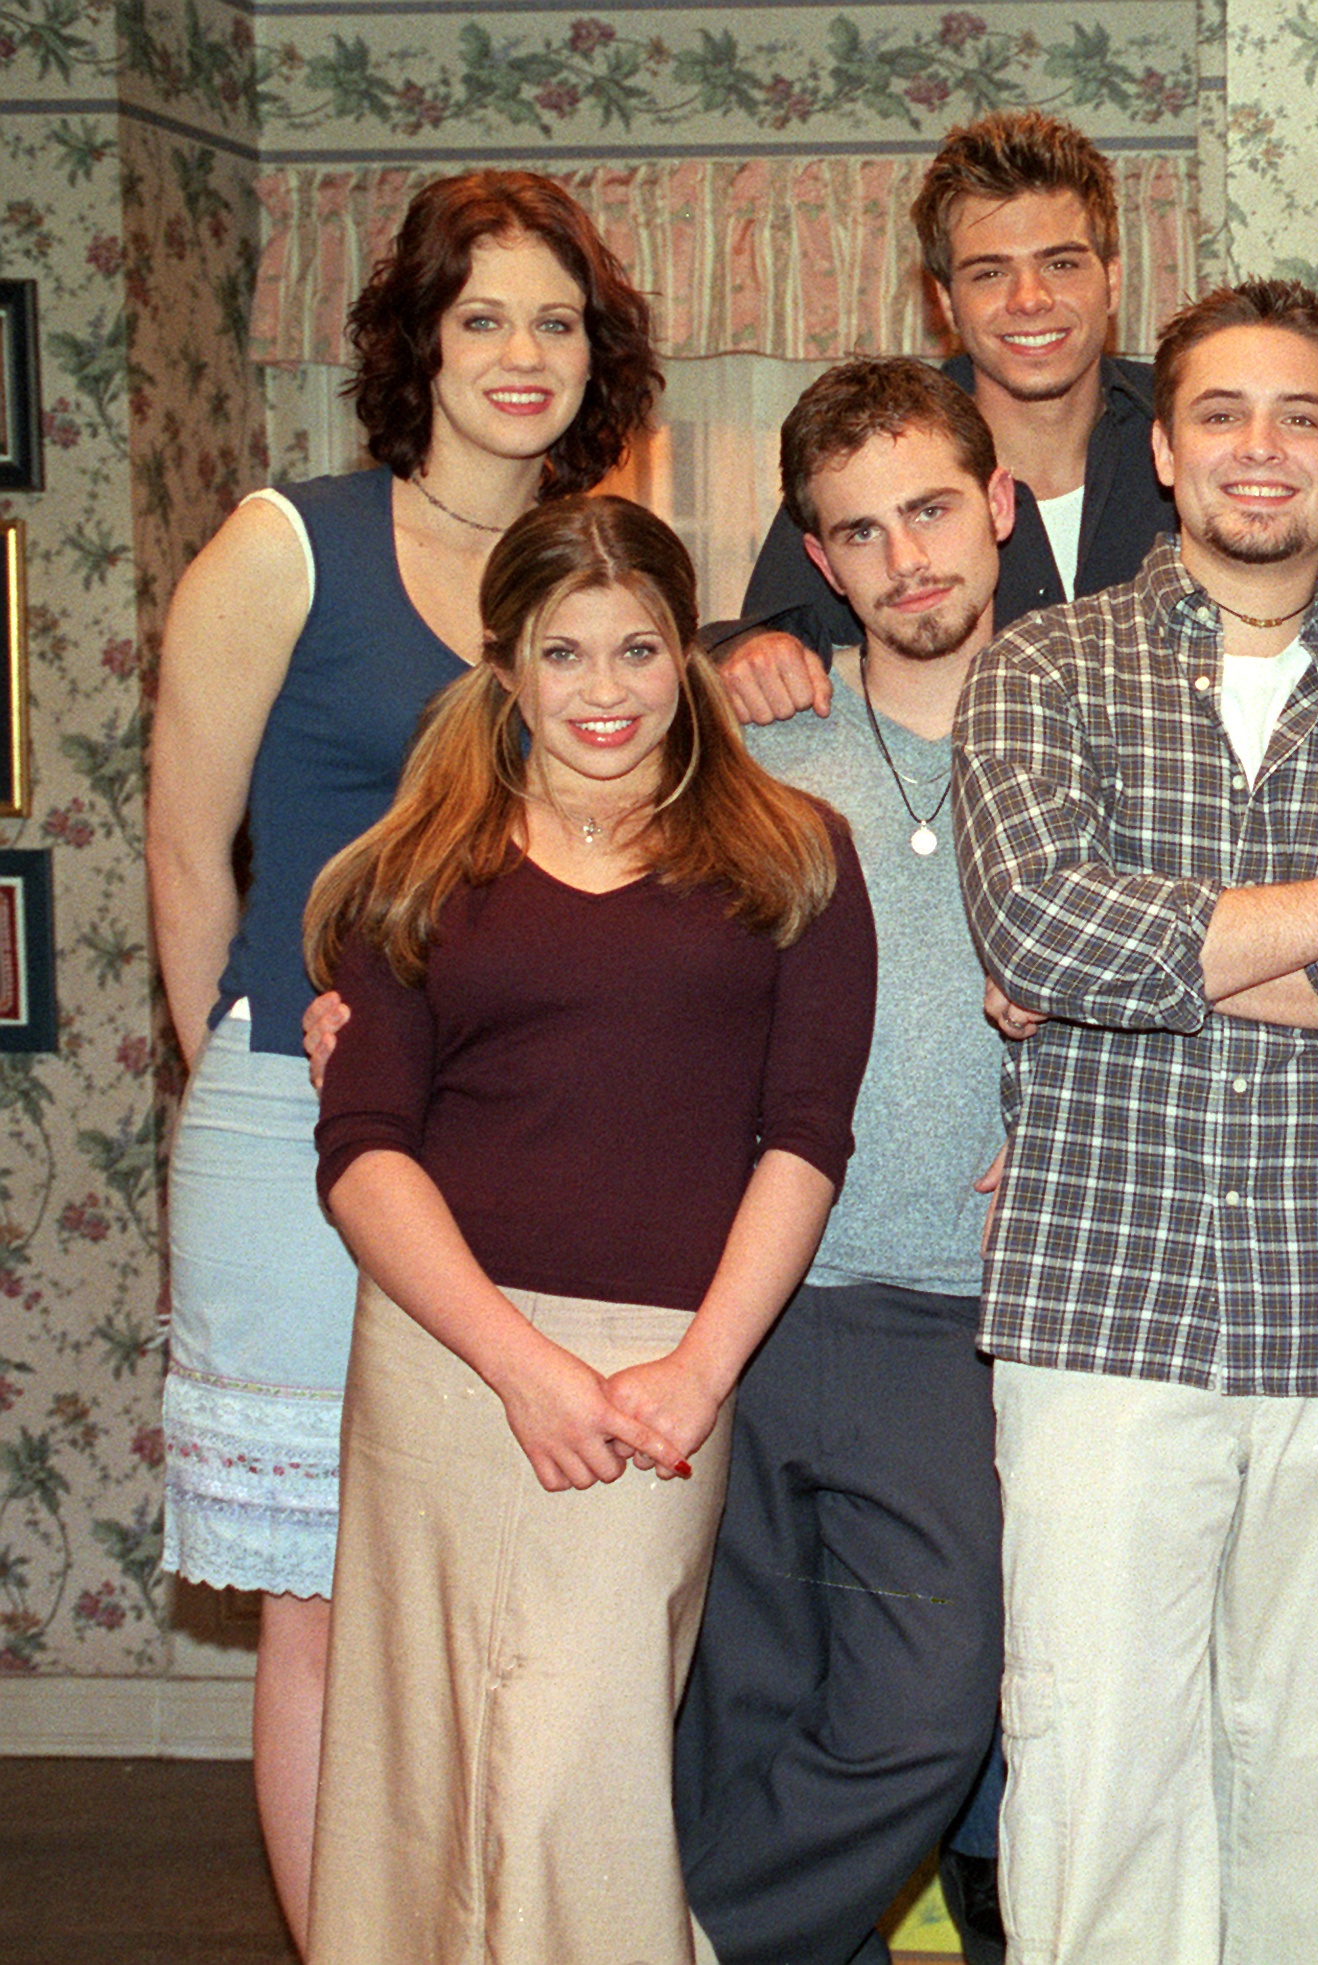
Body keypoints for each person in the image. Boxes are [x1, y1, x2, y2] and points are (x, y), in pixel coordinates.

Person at [948, 278, 1318, 1965]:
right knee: (1097, 1756)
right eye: (1221, 416)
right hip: (1103, 1303)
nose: (1260, 452)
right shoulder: (1041, 662)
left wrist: (1157, 946)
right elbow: (1035, 925)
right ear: (1166, 455)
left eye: (1300, 419)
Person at [147, 169, 661, 1951]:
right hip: (304, 1123)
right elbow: (184, 852)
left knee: (472, 1578)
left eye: (558, 321)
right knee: (322, 1598)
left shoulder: (581, 573)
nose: (523, 356)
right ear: (417, 342)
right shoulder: (288, 543)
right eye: (484, 317)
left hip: (512, 1133)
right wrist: (265, 1060)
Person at [302, 495, 878, 1963]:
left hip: (662, 1378)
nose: (604, 691)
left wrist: (697, 1373)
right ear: (505, 667)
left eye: (636, 650)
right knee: (420, 1788)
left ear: (686, 655)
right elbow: (363, 1152)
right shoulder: (415, 871)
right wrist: (516, 1365)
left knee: (575, 1781)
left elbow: (805, 1141)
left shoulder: (795, 858)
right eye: (566, 654)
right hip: (447, 1363)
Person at [669, 358, 1020, 1965]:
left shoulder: (1098, 738)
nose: (908, 560)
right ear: (819, 562)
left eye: (934, 509)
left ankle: (652, 1937)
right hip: (746, 1293)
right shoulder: (758, 760)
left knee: (923, 1718)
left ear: (1001, 504)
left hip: (962, 1307)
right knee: (742, 1706)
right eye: (861, 533)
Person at [716, 108, 1175, 730]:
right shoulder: (876, 454)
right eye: (990, 272)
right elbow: (756, 646)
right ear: (944, 301)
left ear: (1112, 279)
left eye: (1061, 264)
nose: (1030, 298)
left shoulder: (1195, 436)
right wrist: (744, 653)